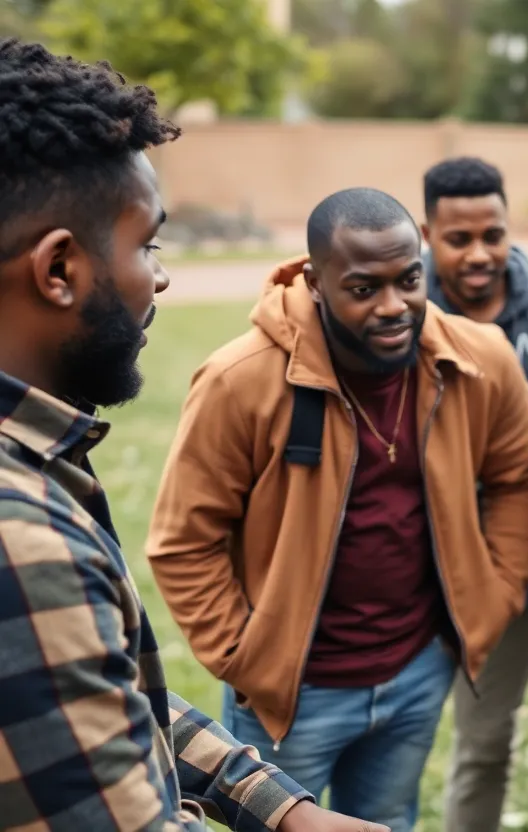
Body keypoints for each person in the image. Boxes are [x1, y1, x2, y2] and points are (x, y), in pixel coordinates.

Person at [0, 38, 384, 832]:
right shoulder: (24, 543)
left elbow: (87, 693)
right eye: (147, 244)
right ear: (59, 270)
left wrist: (282, 809)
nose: (162, 275)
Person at [144, 187, 528, 831]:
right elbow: (183, 540)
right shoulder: (239, 380)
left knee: (388, 822)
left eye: (408, 280)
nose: (393, 306)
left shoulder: (478, 358)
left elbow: (516, 482)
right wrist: (248, 658)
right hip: (293, 694)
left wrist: (493, 598)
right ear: (315, 282)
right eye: (364, 288)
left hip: (418, 669)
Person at [420, 157, 528, 831]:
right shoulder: (397, 302)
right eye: (459, 240)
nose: (480, 254)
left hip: (511, 578)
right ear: (427, 235)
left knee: (483, 748)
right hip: (407, 573)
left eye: (494, 235)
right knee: (386, 745)